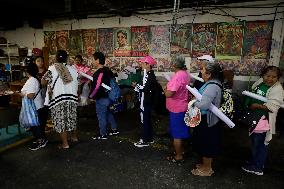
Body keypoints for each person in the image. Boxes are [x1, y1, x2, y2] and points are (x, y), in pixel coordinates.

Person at [241, 66, 283, 176]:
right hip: (256, 118)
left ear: (278, 78)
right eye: (267, 76)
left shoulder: (278, 89)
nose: (270, 79)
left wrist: (257, 106)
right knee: (255, 142)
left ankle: (257, 167)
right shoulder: (261, 82)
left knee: (260, 143)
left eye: (274, 77)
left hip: (263, 121)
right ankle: (256, 161)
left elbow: (273, 107)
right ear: (262, 75)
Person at [191, 60, 223, 177]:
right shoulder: (210, 82)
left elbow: (204, 104)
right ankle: (205, 165)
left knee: (207, 143)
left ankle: (207, 169)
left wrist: (193, 103)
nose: (201, 72)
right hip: (205, 118)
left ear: (209, 74)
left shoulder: (213, 86)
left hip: (208, 120)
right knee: (203, 142)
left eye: (202, 70)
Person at [41, 50, 79, 149]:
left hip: (58, 100)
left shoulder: (52, 69)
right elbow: (78, 84)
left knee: (61, 122)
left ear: (56, 58)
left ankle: (65, 144)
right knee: (72, 118)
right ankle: (74, 137)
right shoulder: (73, 69)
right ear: (67, 58)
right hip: (72, 98)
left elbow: (43, 82)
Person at [164, 55, 191, 163]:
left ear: (174, 65)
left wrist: (165, 89)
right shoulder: (185, 74)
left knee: (177, 134)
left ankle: (179, 156)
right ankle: (181, 150)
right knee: (181, 131)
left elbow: (169, 94)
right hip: (182, 106)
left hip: (177, 108)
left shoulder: (178, 76)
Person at [90, 52, 119, 140]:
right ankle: (114, 129)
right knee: (109, 113)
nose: (92, 61)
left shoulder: (99, 73)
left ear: (98, 60)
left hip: (102, 98)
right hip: (110, 97)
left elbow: (97, 86)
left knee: (101, 115)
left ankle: (103, 134)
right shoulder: (107, 70)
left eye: (93, 59)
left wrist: (91, 96)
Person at [20, 63, 48, 150]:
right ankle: (43, 140)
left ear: (27, 71)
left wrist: (21, 94)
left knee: (35, 126)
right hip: (38, 106)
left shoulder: (32, 80)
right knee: (39, 126)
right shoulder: (35, 79)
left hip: (35, 107)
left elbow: (31, 95)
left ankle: (41, 141)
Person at [133, 55, 158, 147]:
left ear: (148, 64)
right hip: (145, 101)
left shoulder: (149, 75)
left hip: (145, 102)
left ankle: (144, 140)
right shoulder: (147, 74)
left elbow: (145, 88)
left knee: (144, 120)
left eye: (143, 63)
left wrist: (136, 86)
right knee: (147, 120)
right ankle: (149, 138)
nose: (141, 64)